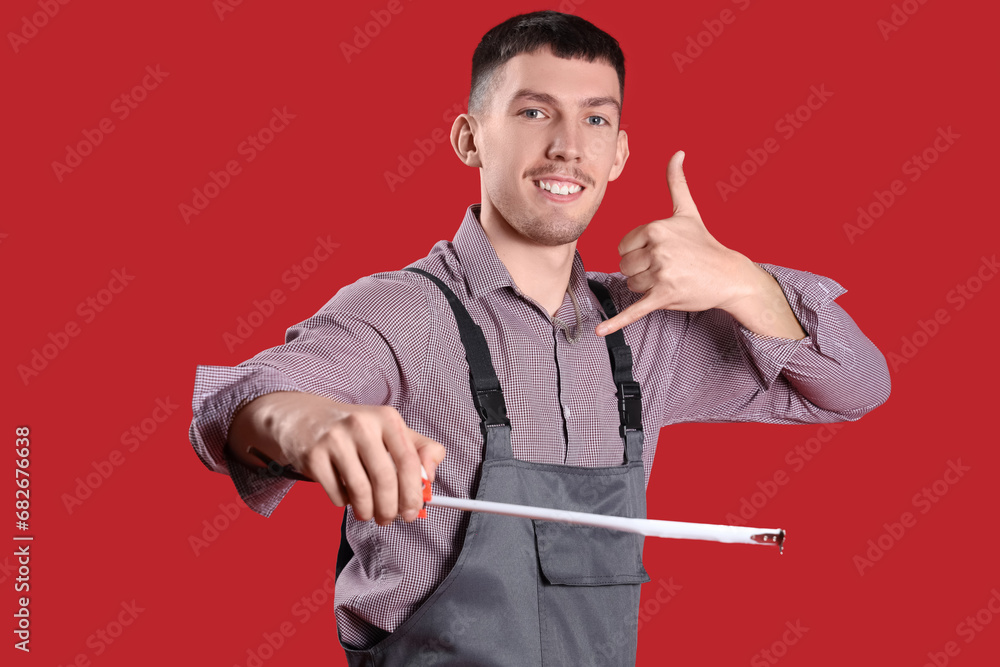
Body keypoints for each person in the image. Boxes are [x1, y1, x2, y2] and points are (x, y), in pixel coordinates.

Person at [189, 10, 890, 665]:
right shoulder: (406, 311)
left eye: (595, 120)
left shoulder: (646, 331)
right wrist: (317, 424)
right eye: (534, 112)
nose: (567, 147)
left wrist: (746, 284)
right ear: (470, 136)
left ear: (618, 155)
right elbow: (247, 404)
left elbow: (856, 387)